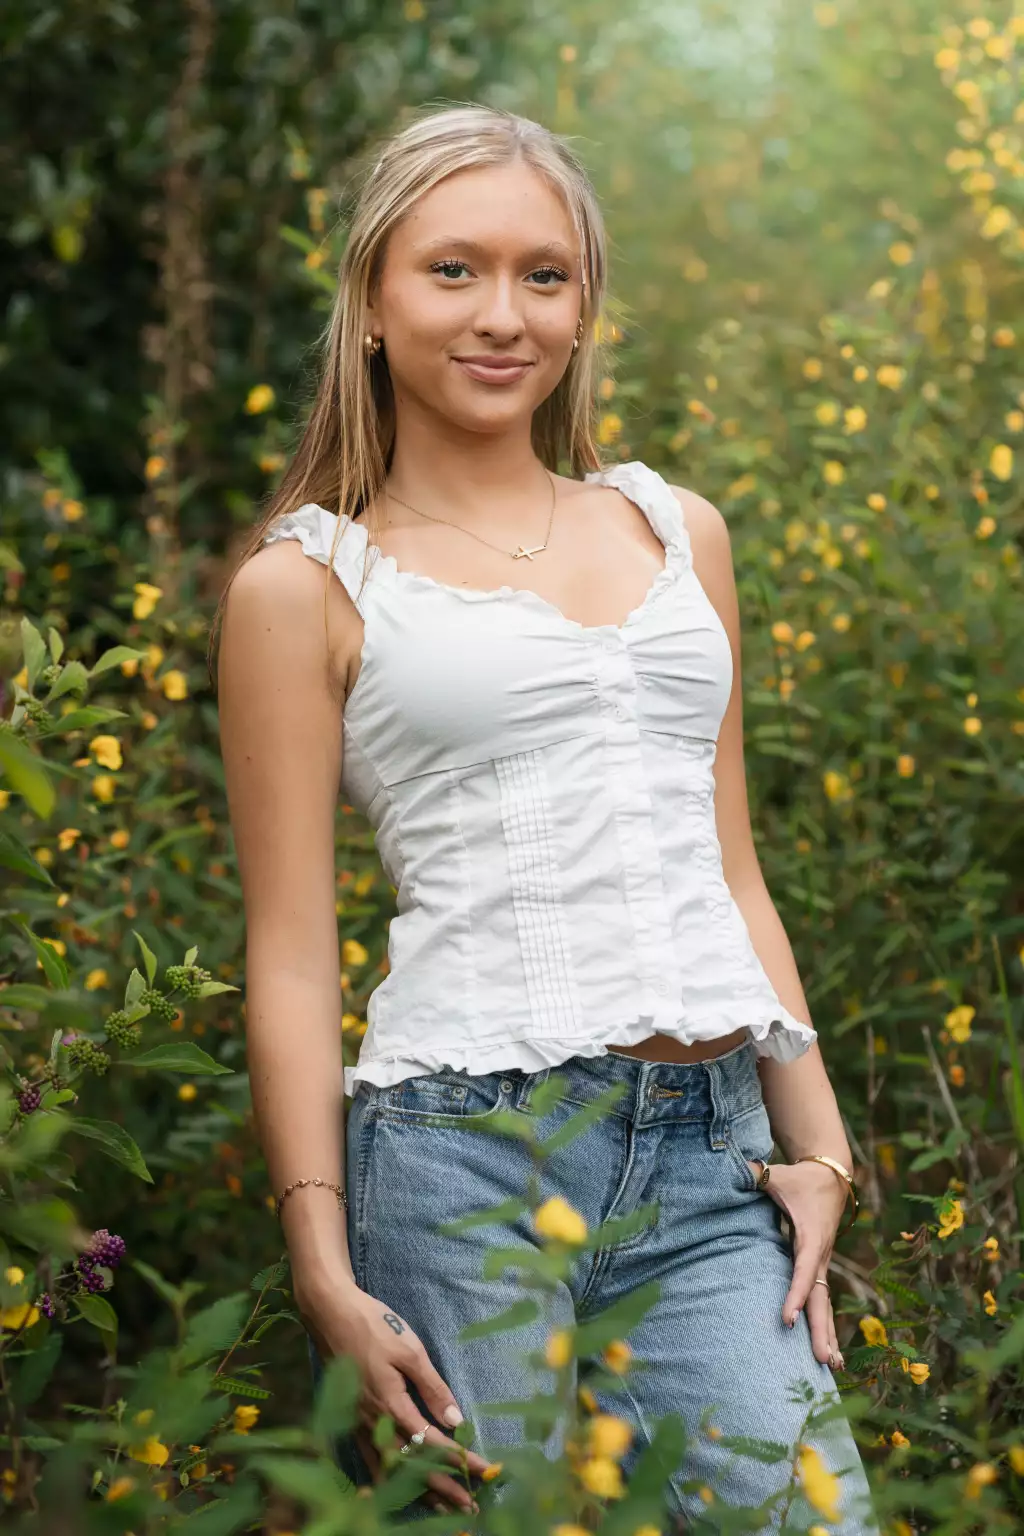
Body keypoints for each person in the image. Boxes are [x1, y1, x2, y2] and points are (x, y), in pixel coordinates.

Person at [213, 102, 877, 1531]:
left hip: (709, 1155)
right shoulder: (306, 584)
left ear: (585, 306)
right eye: (452, 270)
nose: (502, 314)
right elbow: (290, 948)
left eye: (545, 274)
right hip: (460, 1158)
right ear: (373, 302)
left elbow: (733, 871)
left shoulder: (673, 531)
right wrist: (322, 1265)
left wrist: (819, 1149)